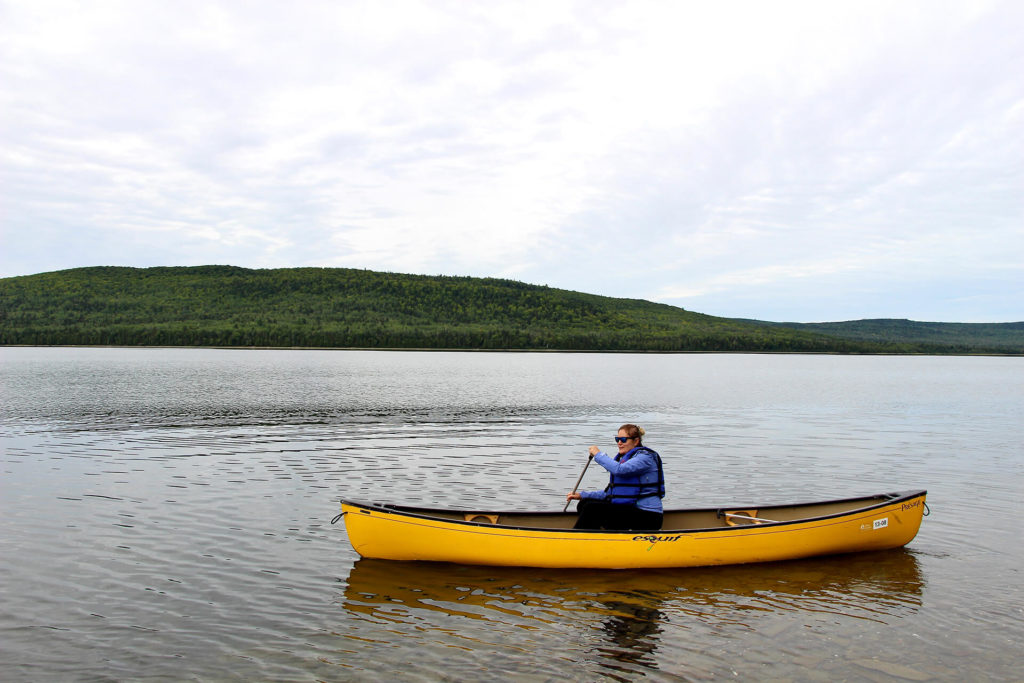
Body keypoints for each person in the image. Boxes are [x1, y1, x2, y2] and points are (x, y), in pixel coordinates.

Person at [566, 424, 665, 530]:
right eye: (617, 439)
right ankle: (599, 539)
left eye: (623, 439)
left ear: (636, 441)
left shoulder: (645, 458)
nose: (619, 443)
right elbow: (610, 494)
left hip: (648, 516)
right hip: (630, 511)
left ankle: (578, 540)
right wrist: (582, 495)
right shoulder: (627, 460)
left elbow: (619, 470)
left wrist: (598, 454)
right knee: (585, 503)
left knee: (591, 509)